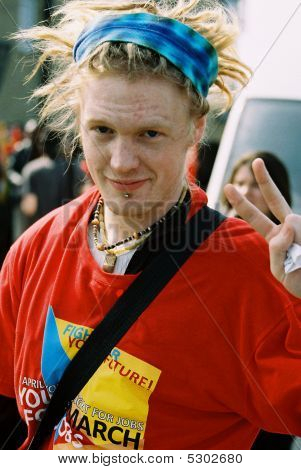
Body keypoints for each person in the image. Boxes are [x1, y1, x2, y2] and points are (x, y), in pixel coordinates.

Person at [1, 0, 301, 451]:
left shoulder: (253, 270)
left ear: (195, 130)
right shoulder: (34, 250)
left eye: (150, 134)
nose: (121, 162)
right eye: (102, 130)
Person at [224, 151, 294, 449]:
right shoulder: (205, 241)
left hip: (273, 394)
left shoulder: (294, 250)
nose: (244, 191)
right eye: (238, 183)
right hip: (224, 392)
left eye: (254, 184)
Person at [223, 151, 292, 224]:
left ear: (278, 191)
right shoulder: (214, 227)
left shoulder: (290, 232)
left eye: (256, 185)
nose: (246, 192)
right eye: (240, 183)